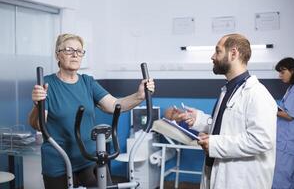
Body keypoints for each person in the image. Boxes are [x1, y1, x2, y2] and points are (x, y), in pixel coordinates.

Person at [28, 33, 155, 189]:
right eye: (68, 50)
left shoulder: (88, 82)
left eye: (79, 51)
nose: (75, 54)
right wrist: (37, 105)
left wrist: (139, 95)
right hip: (59, 163)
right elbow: (39, 125)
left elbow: (114, 105)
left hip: (90, 159)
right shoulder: (47, 84)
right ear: (57, 55)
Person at [177, 33, 277, 189]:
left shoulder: (257, 94)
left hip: (240, 180)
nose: (212, 56)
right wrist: (200, 120)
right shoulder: (228, 90)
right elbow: (227, 127)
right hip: (216, 172)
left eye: (217, 51)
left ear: (233, 53)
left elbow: (261, 140)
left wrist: (215, 143)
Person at [272, 57, 294, 189]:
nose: (279, 76)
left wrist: (271, 108)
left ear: (292, 70)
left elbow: (290, 115)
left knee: (280, 180)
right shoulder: (292, 88)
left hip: (287, 144)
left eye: (282, 72)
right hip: (292, 143)